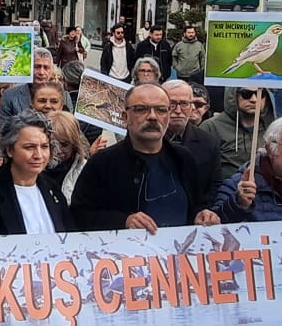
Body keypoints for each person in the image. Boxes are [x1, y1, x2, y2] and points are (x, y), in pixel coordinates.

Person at [70, 84, 221, 232]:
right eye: (141, 109)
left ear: (168, 115)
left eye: (161, 109)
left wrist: (202, 215)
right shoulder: (102, 163)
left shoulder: (184, 159)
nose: (152, 117)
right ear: (125, 117)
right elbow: (79, 215)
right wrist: (123, 221)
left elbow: (197, 204)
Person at [0, 114, 72, 235]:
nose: (38, 155)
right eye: (29, 147)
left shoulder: (53, 189)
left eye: (44, 147)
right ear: (9, 150)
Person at [163, 80, 224, 207]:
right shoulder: (145, 138)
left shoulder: (209, 142)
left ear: (192, 106)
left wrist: (205, 211)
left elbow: (214, 185)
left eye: (184, 104)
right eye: (172, 104)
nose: (178, 110)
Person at [200, 88, 266, 179]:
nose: (254, 99)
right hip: (224, 186)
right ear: (233, 96)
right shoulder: (211, 127)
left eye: (261, 93)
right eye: (246, 94)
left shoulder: (273, 127)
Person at [0, 49, 66, 121]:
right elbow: (3, 126)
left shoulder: (63, 95)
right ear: (29, 68)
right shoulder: (10, 96)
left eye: (46, 68)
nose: (41, 72)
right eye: (37, 67)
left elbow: (68, 123)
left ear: (52, 70)